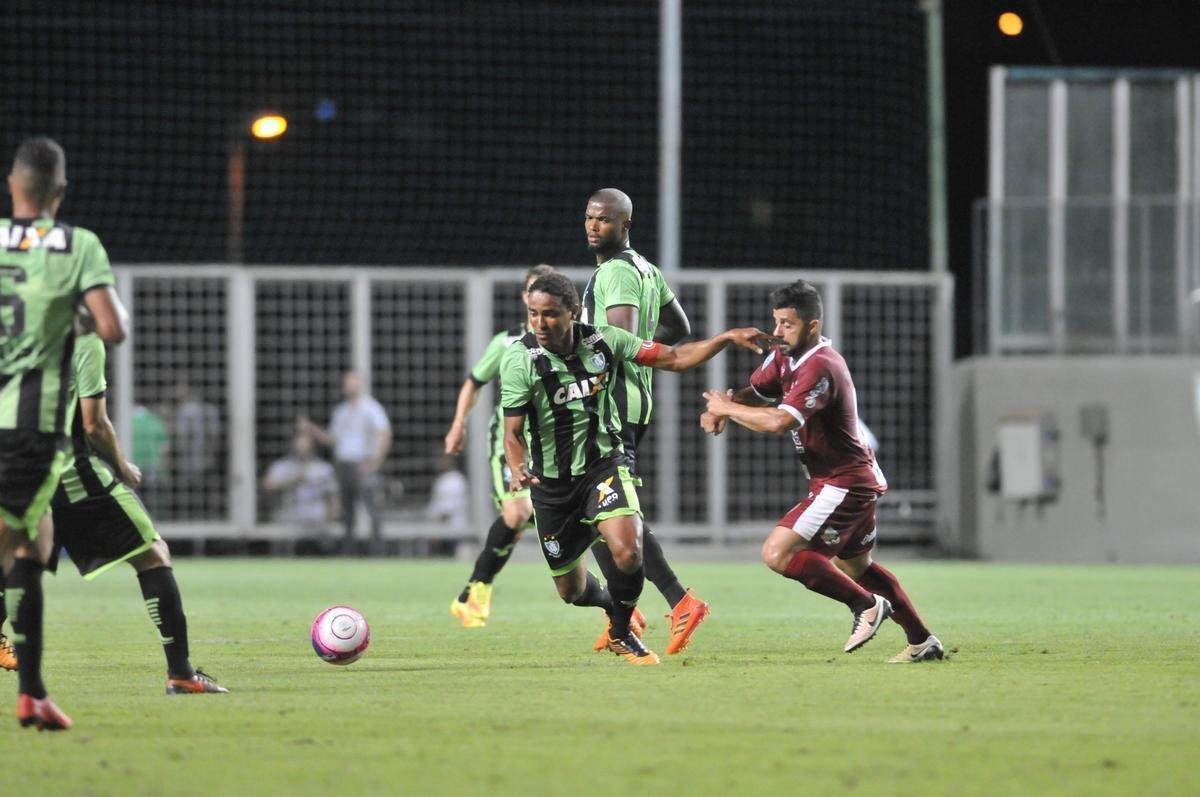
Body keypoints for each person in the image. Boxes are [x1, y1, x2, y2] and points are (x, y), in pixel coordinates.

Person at [501, 272, 770, 665]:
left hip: (603, 466)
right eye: (533, 314)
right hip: (552, 487)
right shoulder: (520, 360)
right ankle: (615, 610)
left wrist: (724, 338)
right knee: (571, 592)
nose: (541, 324)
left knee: (628, 552)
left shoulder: (604, 341)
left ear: (574, 312)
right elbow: (512, 433)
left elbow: (673, 357)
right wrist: (517, 467)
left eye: (551, 314)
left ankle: (621, 632)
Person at [701, 279, 943, 662]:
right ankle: (922, 641)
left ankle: (866, 606)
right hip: (848, 480)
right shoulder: (784, 355)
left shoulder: (822, 366)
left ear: (812, 326)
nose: (777, 332)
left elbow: (781, 421)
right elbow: (759, 394)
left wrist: (727, 410)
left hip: (843, 482)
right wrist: (725, 406)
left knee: (777, 553)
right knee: (856, 565)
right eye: (776, 322)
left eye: (788, 324)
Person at [0, 136, 129, 730]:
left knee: (32, 543)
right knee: (22, 548)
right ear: (60, 191)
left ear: (12, 186)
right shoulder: (78, 245)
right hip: (27, 428)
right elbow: (110, 326)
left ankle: (32, 693)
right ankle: (31, 693)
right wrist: (75, 314)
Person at [31, 318, 227, 694]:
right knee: (152, 553)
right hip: (68, 470)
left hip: (17, 468)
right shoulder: (83, 337)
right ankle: (181, 674)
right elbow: (94, 424)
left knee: (17, 567)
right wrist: (122, 467)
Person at [579, 187, 710, 656]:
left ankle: (675, 602)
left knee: (608, 513)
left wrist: (579, 360)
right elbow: (679, 327)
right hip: (632, 403)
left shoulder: (616, 272)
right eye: (590, 218)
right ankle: (628, 609)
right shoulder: (645, 269)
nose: (595, 226)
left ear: (625, 225)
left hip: (609, 408)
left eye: (605, 220)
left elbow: (619, 338)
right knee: (592, 511)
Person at [443, 264, 554, 628]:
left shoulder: (570, 341)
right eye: (532, 290)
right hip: (509, 441)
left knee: (566, 525)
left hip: (554, 444)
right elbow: (473, 382)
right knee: (518, 512)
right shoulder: (506, 343)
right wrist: (459, 423)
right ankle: (481, 589)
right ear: (525, 297)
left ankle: (470, 591)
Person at [302, 371, 392, 555]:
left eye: (352, 382)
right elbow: (333, 439)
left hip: (363, 463)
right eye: (346, 382)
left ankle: (379, 551)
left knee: (372, 509)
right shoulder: (341, 411)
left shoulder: (371, 408)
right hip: (344, 464)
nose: (348, 386)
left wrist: (376, 460)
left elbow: (384, 433)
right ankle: (348, 551)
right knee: (347, 510)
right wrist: (312, 430)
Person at [261, 427, 339, 530]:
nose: (302, 447)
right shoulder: (282, 465)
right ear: (293, 444)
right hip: (290, 511)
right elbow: (267, 485)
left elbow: (333, 495)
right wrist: (293, 480)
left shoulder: (323, 468)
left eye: (306, 443)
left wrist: (332, 514)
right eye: (299, 442)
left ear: (313, 445)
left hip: (316, 513)